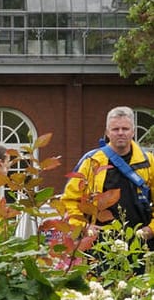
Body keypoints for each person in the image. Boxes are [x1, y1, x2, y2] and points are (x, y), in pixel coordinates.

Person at [61, 105, 154, 261]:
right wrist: (84, 227)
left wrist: (151, 230)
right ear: (107, 132)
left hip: (141, 243)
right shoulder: (91, 161)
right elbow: (70, 200)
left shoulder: (149, 162)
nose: (120, 133)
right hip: (99, 244)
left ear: (133, 131)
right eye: (115, 129)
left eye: (125, 128)